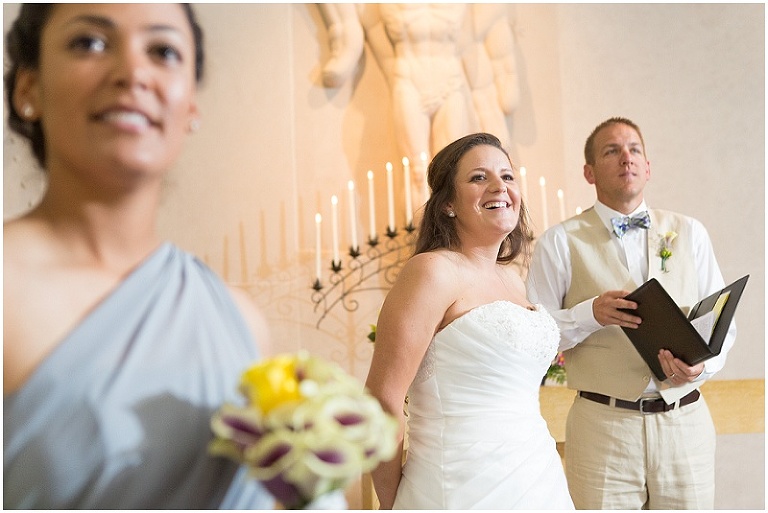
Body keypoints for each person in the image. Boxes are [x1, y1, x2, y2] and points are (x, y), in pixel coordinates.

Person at [3, 4, 273, 509]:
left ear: (190, 105)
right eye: (89, 43)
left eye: (163, 51)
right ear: (28, 89)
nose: (133, 73)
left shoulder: (241, 319)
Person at [526, 117, 736, 509]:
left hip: (685, 423)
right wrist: (590, 314)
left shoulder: (689, 232)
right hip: (601, 425)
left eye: (634, 149)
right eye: (611, 150)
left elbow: (724, 323)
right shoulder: (559, 242)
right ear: (588, 172)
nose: (626, 158)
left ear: (648, 166)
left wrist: (702, 367)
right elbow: (536, 334)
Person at [364, 132, 574, 509]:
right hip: (455, 483)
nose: (499, 187)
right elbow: (383, 398)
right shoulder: (432, 271)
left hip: (536, 476)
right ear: (446, 203)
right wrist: (394, 499)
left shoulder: (512, 278)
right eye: (479, 178)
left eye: (508, 176)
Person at [318, 4, 519, 207]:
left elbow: (485, 27)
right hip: (409, 80)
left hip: (450, 81)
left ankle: (451, 235)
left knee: (452, 172)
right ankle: (418, 233)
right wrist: (343, 30)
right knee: (415, 171)